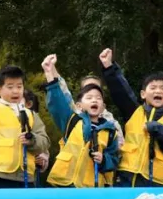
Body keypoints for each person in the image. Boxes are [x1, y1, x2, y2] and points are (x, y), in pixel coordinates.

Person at [99, 48, 163, 187]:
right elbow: (121, 91)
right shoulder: (134, 112)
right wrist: (109, 67)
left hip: (159, 183)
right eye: (153, 87)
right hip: (127, 178)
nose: (158, 91)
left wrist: (157, 128)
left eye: (162, 88)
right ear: (143, 94)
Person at [0, 40, 49, 188]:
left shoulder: (31, 114)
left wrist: (32, 141)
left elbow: (44, 141)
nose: (15, 91)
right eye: (10, 86)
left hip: (26, 177)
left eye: (19, 86)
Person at [42, 54, 119, 188]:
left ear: (103, 106)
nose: (94, 100)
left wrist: (104, 160)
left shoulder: (111, 131)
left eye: (98, 98)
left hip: (93, 188)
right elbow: (58, 103)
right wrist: (50, 75)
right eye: (89, 98)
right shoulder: (72, 120)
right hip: (66, 185)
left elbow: (114, 159)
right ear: (79, 105)